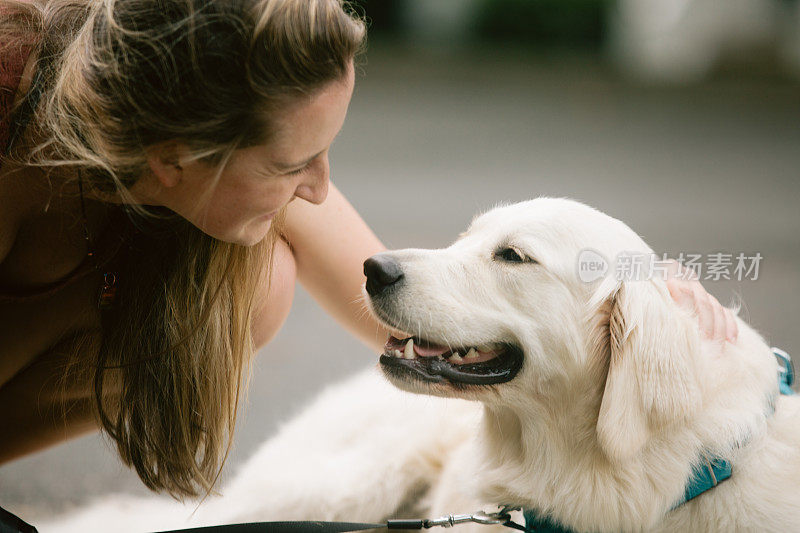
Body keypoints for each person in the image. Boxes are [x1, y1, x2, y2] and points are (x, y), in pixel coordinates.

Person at [0, 0, 739, 502]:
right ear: (173, 158)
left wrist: (635, 286)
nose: (319, 190)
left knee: (257, 285)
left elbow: (409, 308)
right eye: (294, 166)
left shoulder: (182, 135)